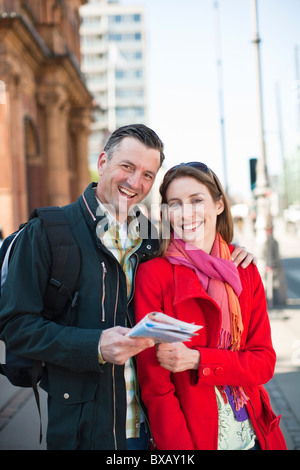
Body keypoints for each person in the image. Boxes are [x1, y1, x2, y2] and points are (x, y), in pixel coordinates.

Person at [0, 127, 254, 450]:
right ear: (103, 161)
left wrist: (235, 251)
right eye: (127, 167)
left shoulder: (152, 235)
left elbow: (198, 241)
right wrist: (94, 346)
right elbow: (15, 326)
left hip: (152, 430)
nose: (136, 183)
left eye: (148, 175)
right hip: (88, 432)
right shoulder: (48, 233)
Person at [134, 161, 287, 451]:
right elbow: (156, 388)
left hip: (256, 435)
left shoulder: (244, 270)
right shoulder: (154, 276)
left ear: (218, 205)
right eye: (175, 204)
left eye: (197, 200)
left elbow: (263, 363)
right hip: (196, 439)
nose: (186, 212)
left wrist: (197, 361)